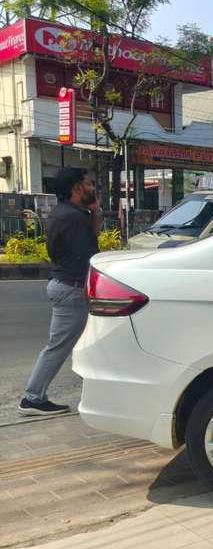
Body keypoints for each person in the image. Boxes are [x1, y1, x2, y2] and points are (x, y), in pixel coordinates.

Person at [18, 168, 101, 416]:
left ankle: (100, 391)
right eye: (89, 184)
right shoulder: (72, 218)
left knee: (94, 340)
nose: (93, 188)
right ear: (77, 188)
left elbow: (91, 239)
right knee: (57, 347)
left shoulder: (71, 213)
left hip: (70, 287)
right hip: (71, 289)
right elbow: (90, 255)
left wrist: (95, 212)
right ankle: (32, 398)